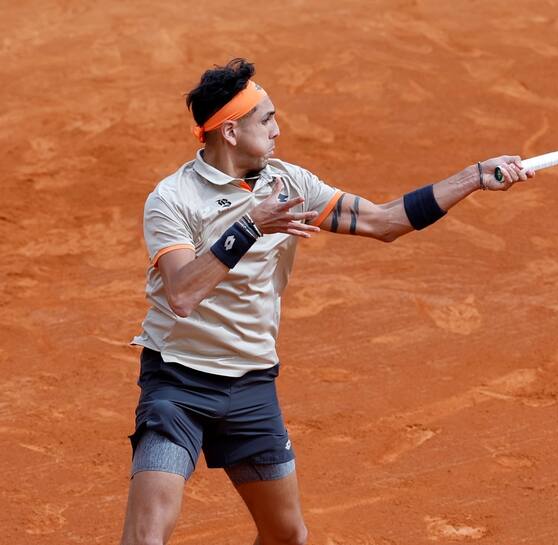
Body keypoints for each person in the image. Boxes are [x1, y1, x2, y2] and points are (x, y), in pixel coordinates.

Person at [121, 57, 532, 545]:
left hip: (251, 382)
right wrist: (251, 226)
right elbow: (183, 293)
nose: (278, 129)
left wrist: (472, 177)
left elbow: (382, 221)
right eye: (267, 119)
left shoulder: (288, 184)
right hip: (179, 384)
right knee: (146, 538)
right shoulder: (172, 199)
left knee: (287, 536)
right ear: (230, 132)